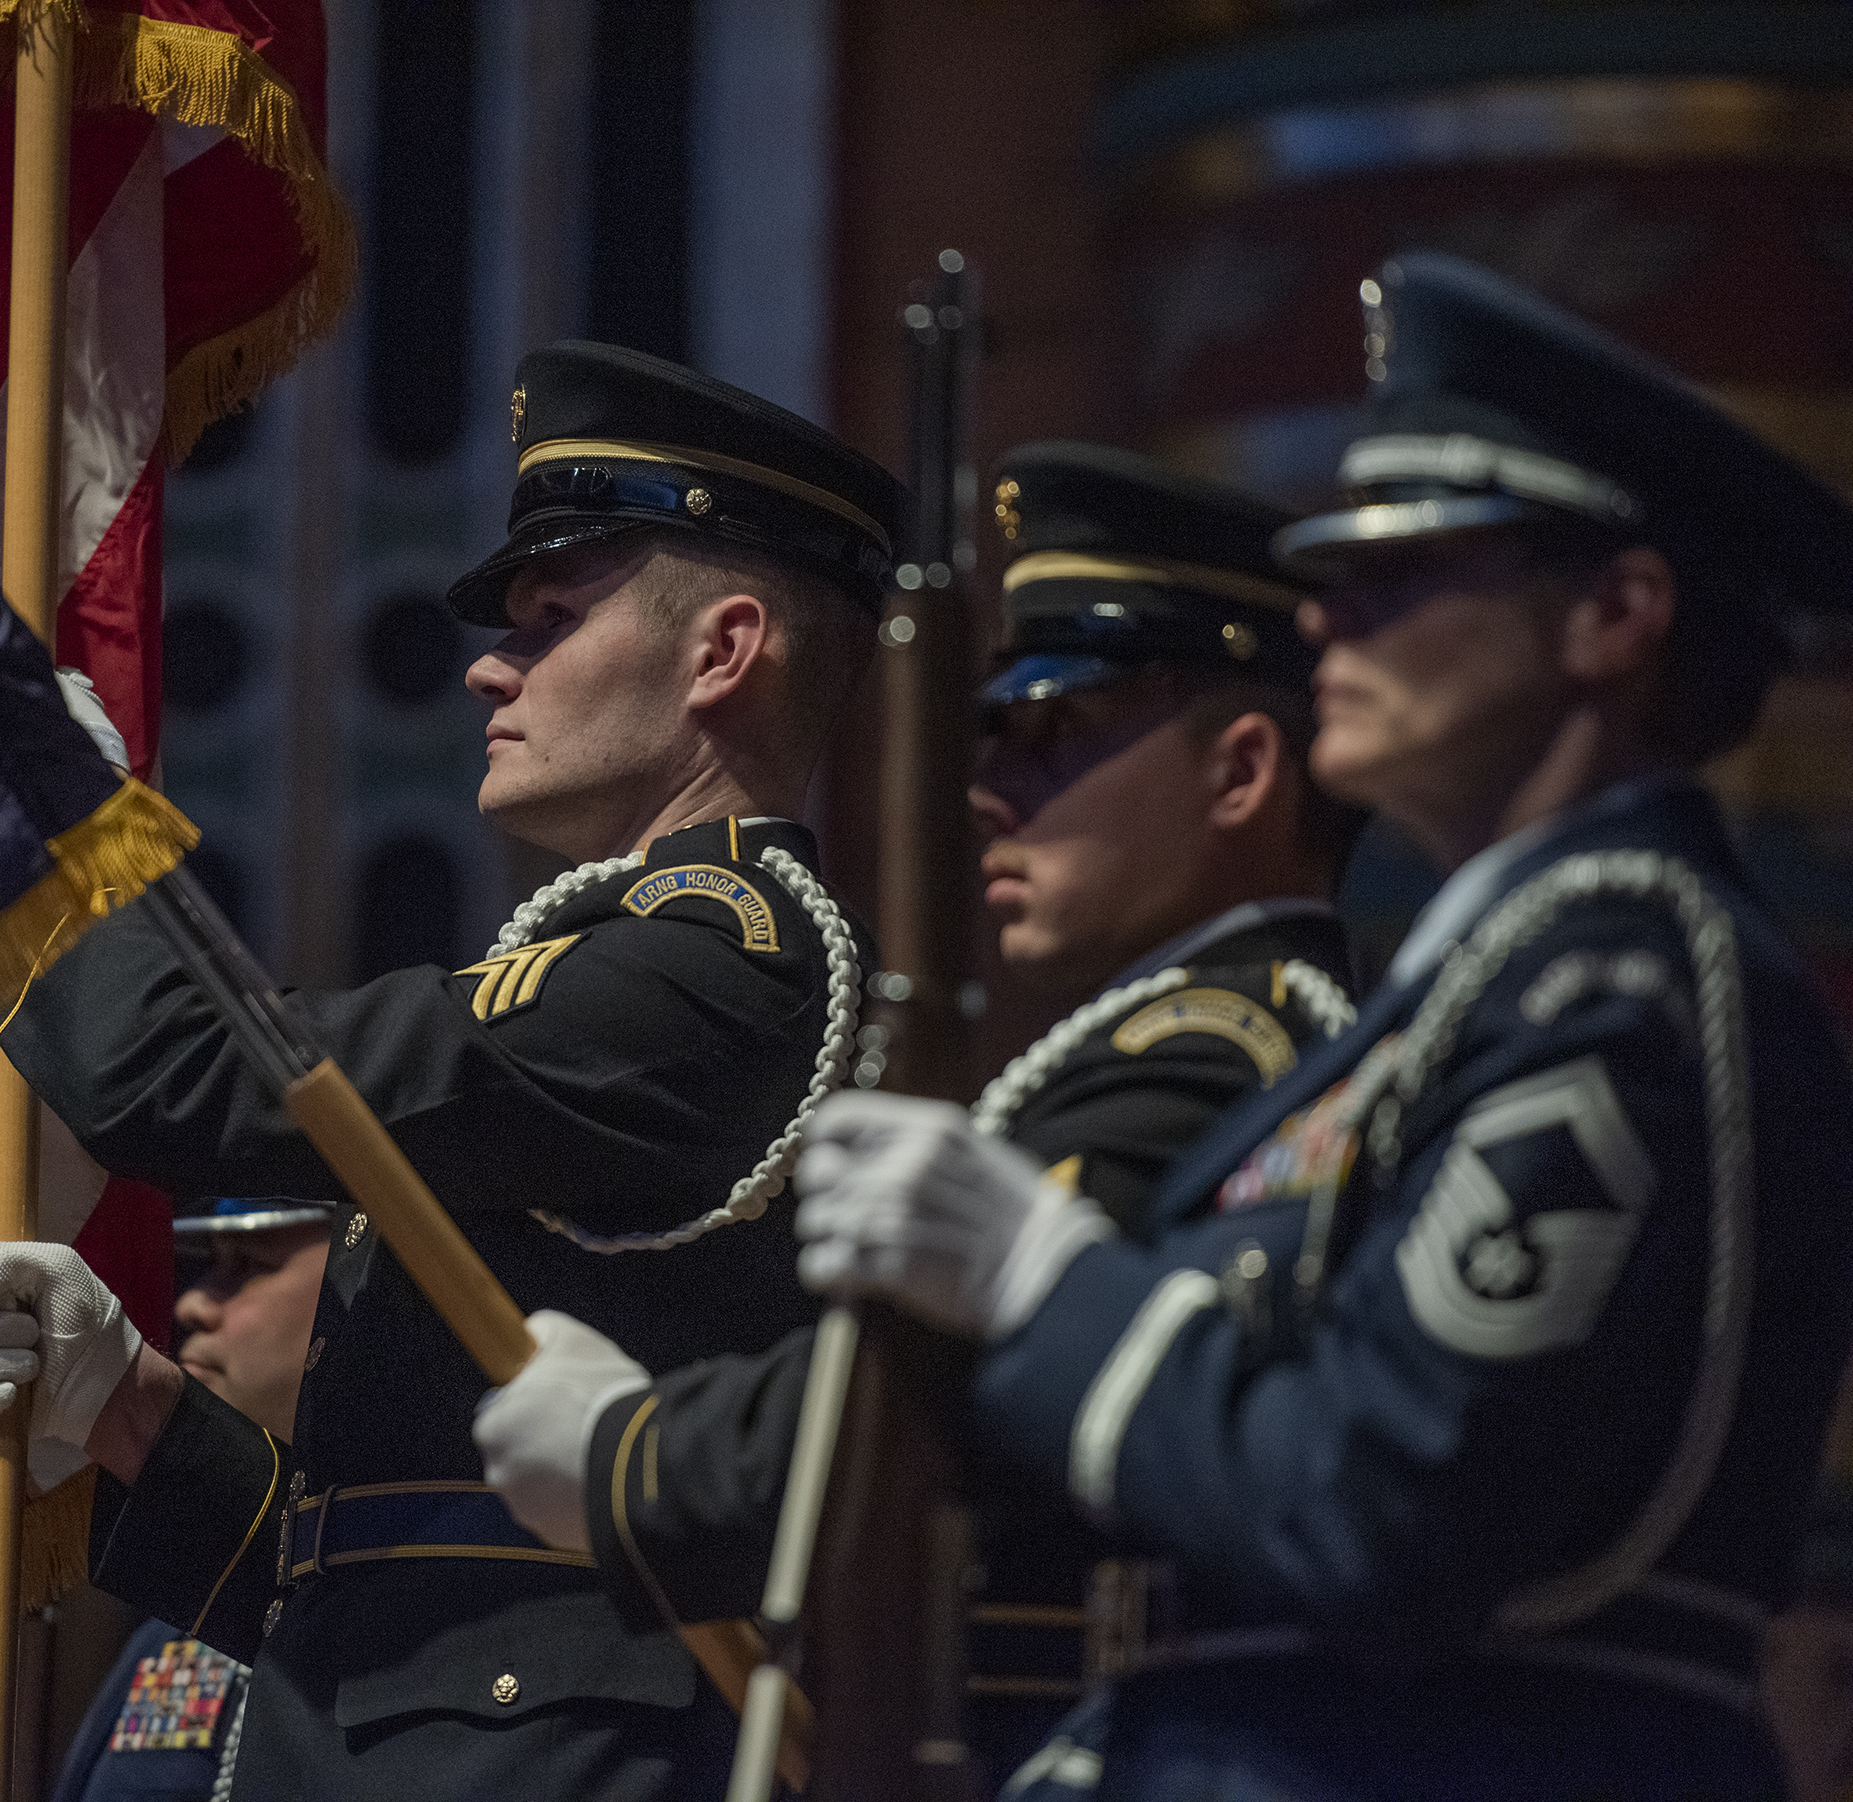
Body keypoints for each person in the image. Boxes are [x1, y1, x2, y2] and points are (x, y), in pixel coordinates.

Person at [784, 253, 1853, 1799]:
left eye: (1401, 569)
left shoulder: (1617, 983)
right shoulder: (1477, 985)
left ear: (1617, 614)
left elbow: (1373, 1511)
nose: (1325, 610)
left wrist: (1041, 1280)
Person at [0, 342, 900, 1798]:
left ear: (722, 651)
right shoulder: (620, 959)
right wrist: (127, 1406)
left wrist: (56, 853)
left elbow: (194, 1075)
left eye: (553, 618)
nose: (486, 667)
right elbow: (367, 1570)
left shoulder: (715, 966)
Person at [475, 442, 1369, 1782]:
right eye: (991, 733)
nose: (988, 791)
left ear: (1241, 773)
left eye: (1056, 736)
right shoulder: (1195, 1037)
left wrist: (638, 1454)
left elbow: (938, 1382)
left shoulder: (1215, 1052)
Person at [49, 1198, 334, 1802]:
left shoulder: (420, 1604)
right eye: (209, 1265)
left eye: (250, 1263)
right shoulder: (176, 1626)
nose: (192, 1304)